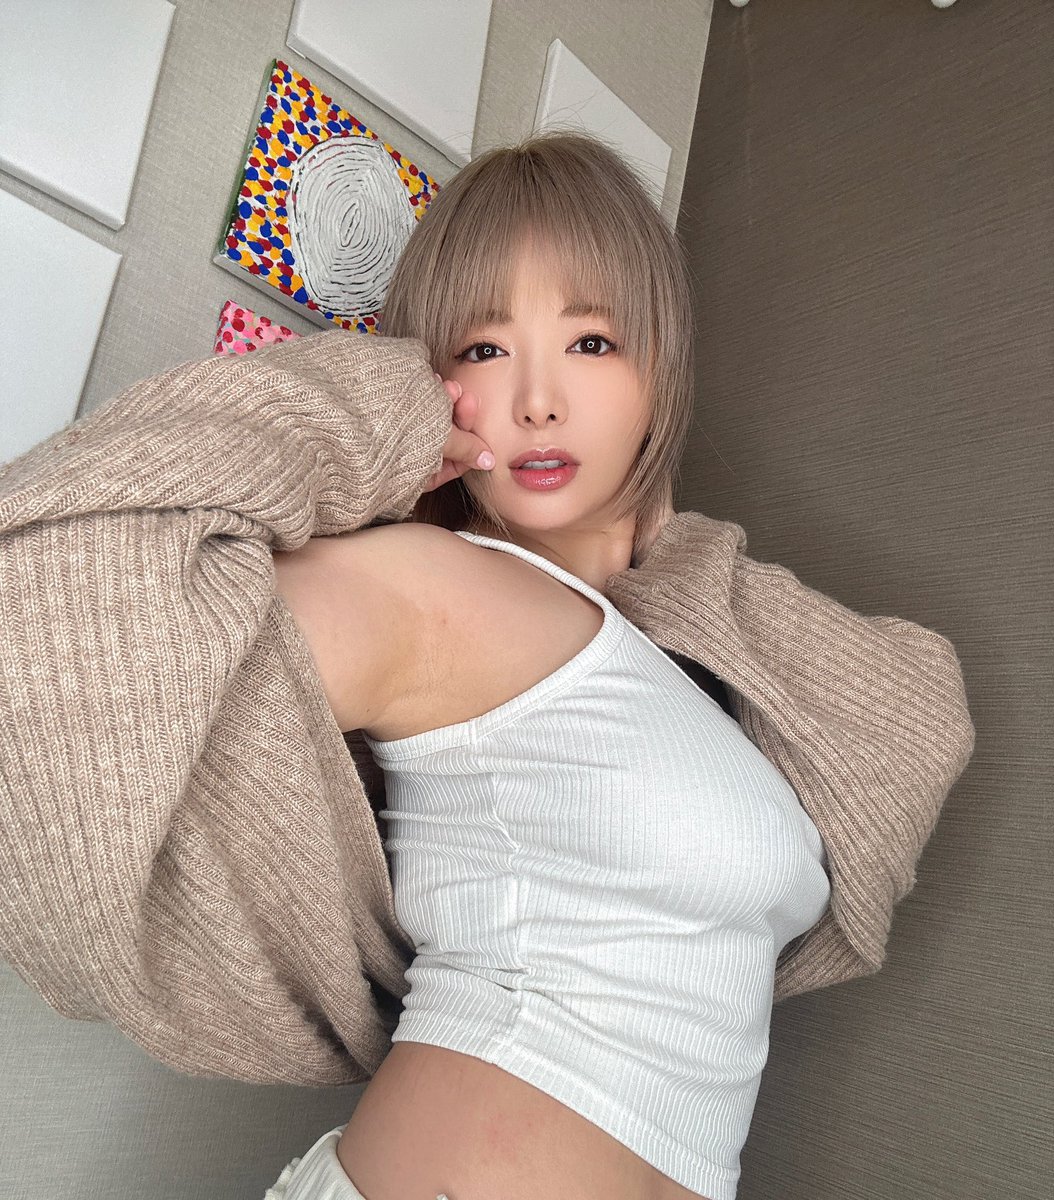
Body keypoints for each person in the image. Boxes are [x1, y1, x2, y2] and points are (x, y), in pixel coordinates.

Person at [0, 133, 974, 1200]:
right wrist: (366, 415)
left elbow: (909, 731)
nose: (539, 400)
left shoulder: (670, 661)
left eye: (593, 342)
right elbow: (39, 618)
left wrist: (674, 559)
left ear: (660, 370)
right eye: (483, 349)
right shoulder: (437, 590)